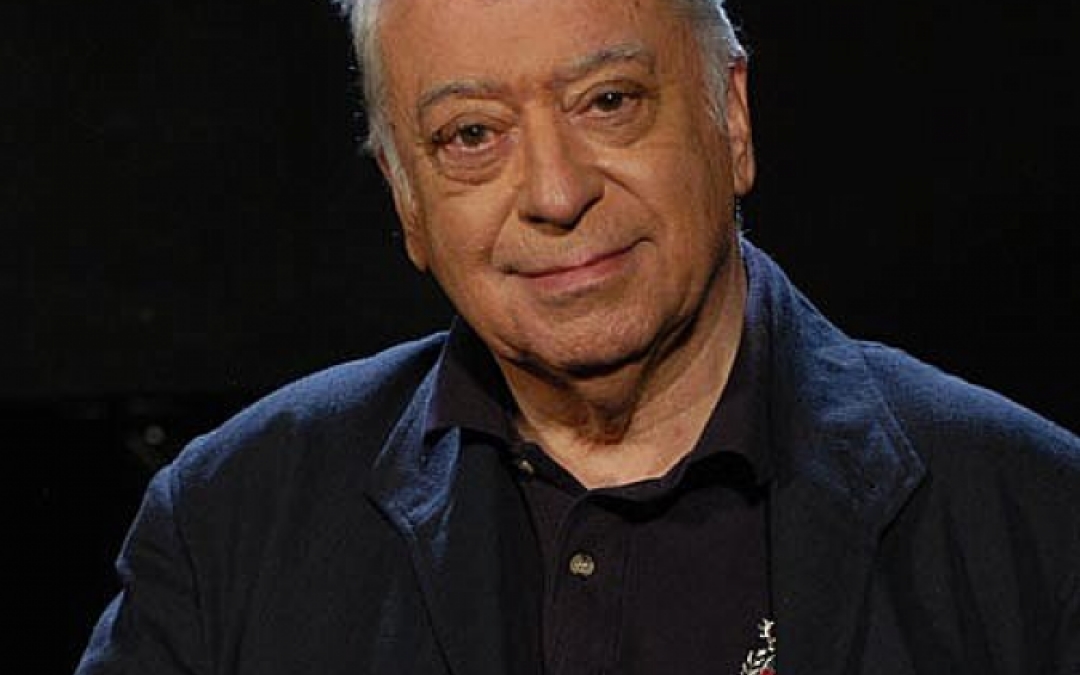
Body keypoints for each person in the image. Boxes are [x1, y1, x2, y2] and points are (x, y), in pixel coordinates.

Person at [74, 0, 1080, 673]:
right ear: (406, 198)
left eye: (609, 103)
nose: (555, 194)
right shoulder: (229, 526)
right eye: (472, 135)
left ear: (730, 120)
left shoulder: (1035, 519)